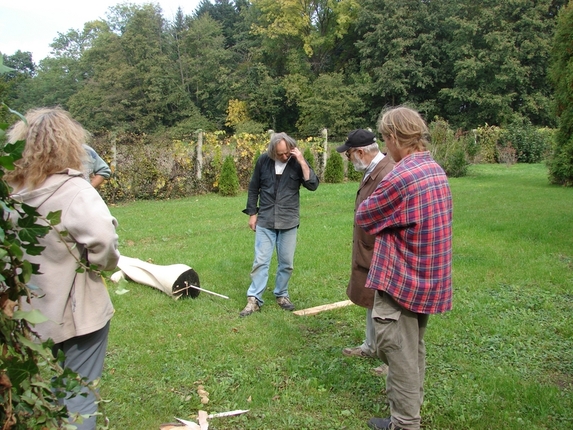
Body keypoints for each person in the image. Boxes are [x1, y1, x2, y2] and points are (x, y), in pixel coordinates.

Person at [6, 107, 120, 430]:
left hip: (33, 315)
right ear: (69, 144)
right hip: (78, 315)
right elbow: (104, 239)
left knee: (54, 391)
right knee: (78, 397)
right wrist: (98, 265)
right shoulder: (74, 191)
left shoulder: (13, 195)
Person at [355, 106, 453, 430]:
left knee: (397, 351)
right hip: (427, 278)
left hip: (402, 280)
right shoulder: (434, 169)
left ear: (396, 137)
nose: (385, 146)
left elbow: (366, 216)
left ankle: (406, 425)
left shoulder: (402, 175)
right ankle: (404, 416)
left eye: (385, 138)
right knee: (413, 350)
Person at [335, 129, 395, 376]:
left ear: (360, 152)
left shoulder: (387, 172)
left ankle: (391, 361)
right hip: (370, 247)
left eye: (349, 155)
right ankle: (370, 346)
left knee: (387, 308)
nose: (349, 160)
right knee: (373, 300)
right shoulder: (373, 170)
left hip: (383, 250)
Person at [240, 132, 319, 317]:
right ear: (272, 151)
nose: (284, 157)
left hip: (289, 220)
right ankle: (254, 299)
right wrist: (252, 213)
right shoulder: (263, 161)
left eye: (286, 153)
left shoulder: (297, 162)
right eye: (280, 154)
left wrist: (301, 160)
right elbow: (253, 188)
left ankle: (282, 295)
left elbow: (313, 185)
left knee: (286, 263)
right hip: (266, 220)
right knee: (261, 261)